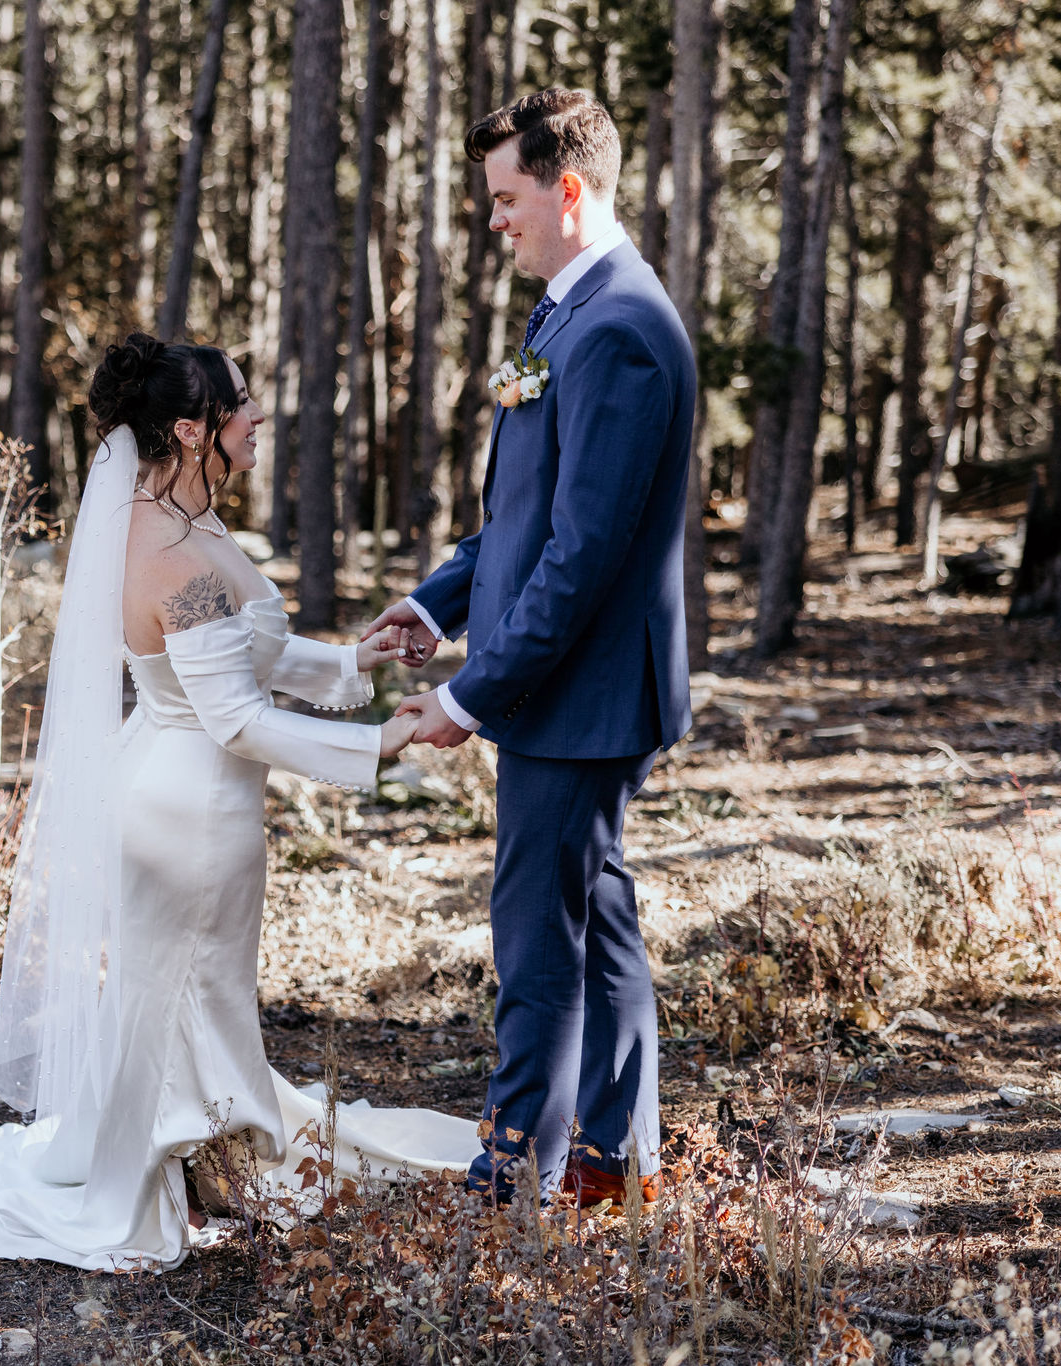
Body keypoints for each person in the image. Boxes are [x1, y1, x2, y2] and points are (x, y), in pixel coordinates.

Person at [0, 335, 478, 1271]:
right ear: (191, 429)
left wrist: (352, 663)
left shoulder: (183, 517)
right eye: (242, 405)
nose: (259, 416)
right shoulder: (170, 553)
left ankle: (205, 1154)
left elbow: (236, 650)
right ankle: (144, 1178)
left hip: (190, 793)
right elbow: (236, 719)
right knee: (168, 994)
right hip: (190, 811)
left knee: (190, 996)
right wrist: (378, 742)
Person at [364, 88, 697, 1206]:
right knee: (592, 913)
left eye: (505, 199)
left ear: (566, 189)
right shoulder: (567, 309)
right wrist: (436, 604)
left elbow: (585, 553)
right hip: (560, 684)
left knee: (536, 941)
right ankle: (613, 1156)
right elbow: (523, 514)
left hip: (580, 692)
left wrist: (470, 698)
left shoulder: (621, 331)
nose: (492, 220)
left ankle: (514, 1182)